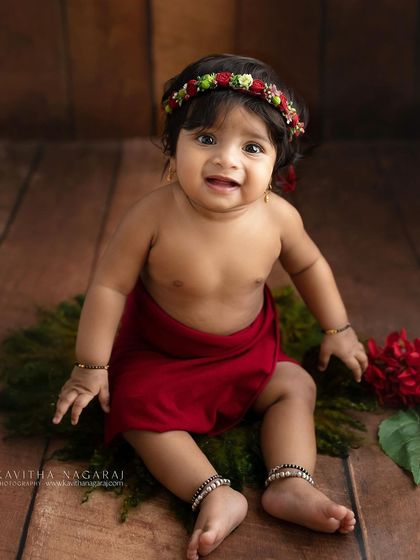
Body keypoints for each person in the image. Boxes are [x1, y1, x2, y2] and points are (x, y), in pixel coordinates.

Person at [52, 54, 368, 559]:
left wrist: (339, 328)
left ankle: (290, 482)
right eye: (206, 139)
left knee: (295, 385)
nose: (227, 160)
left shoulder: (279, 219)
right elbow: (109, 286)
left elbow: (310, 268)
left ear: (278, 164)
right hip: (162, 355)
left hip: (246, 355)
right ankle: (212, 490)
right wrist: (91, 365)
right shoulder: (151, 216)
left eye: (251, 147)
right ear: (173, 146)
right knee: (133, 407)